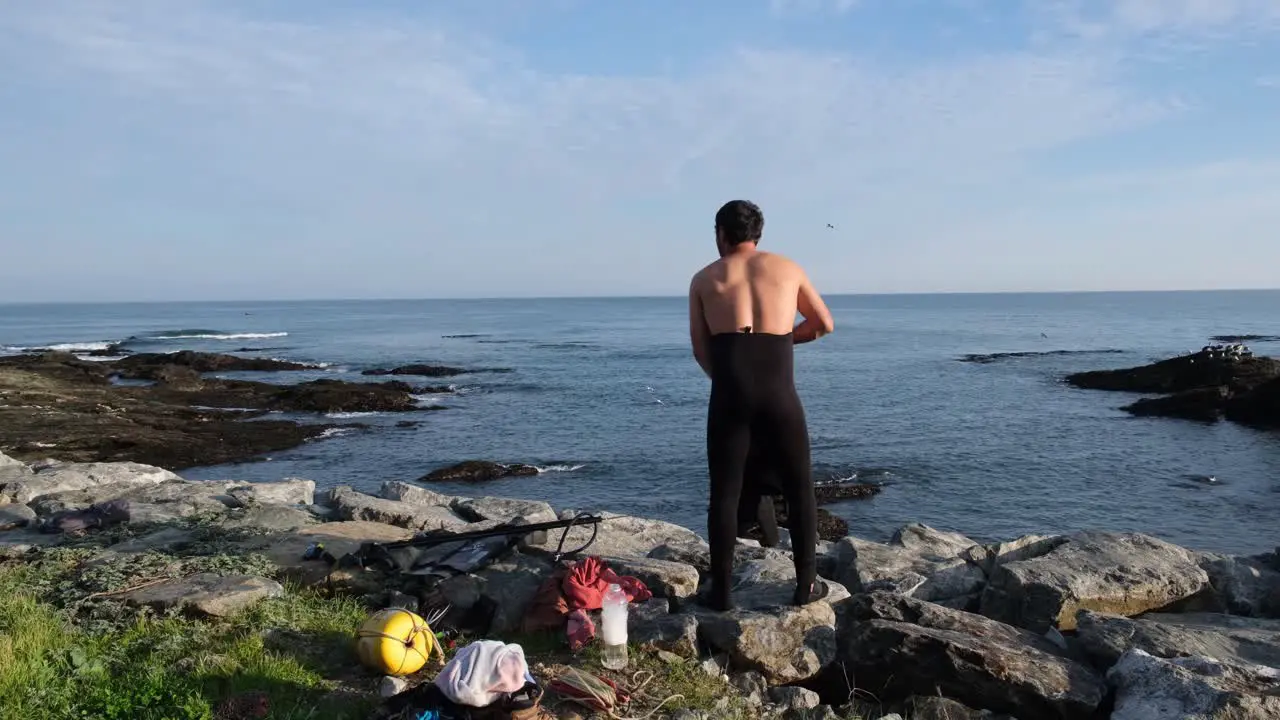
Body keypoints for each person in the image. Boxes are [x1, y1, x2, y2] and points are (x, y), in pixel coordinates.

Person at [688, 199, 835, 611]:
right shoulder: (788, 269)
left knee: (724, 495)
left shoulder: (703, 279)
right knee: (800, 490)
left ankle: (721, 594)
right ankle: (805, 586)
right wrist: (781, 340)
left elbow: (701, 350)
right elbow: (823, 324)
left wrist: (734, 381)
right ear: (758, 234)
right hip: (779, 396)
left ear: (721, 234)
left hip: (730, 396)